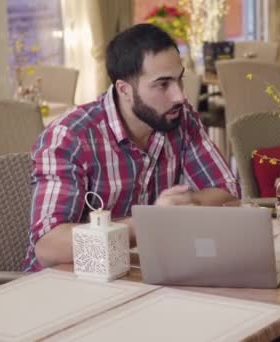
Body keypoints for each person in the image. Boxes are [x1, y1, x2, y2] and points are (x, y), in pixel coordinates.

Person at [23, 24, 239, 271]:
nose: (180, 96)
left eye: (180, 79)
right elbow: (48, 247)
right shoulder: (70, 137)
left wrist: (190, 203)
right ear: (124, 90)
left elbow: (228, 192)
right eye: (162, 84)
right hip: (69, 282)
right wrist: (150, 223)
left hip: (141, 271)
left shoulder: (180, 119)